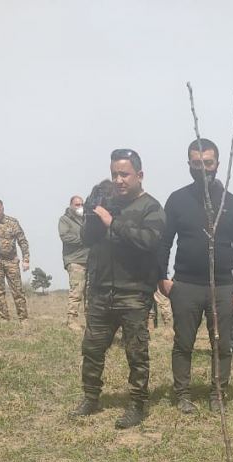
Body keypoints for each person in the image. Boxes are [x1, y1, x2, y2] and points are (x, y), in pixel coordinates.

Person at [73, 149, 165, 430]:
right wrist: (92, 215)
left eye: (124, 174)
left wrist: (113, 224)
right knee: (92, 348)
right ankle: (91, 397)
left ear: (139, 175)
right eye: (115, 174)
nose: (119, 180)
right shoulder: (106, 204)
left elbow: (149, 241)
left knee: (136, 351)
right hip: (101, 289)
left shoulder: (150, 207)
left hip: (134, 291)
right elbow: (86, 239)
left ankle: (137, 404)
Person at [159, 139, 233, 414]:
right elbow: (164, 242)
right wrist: (162, 279)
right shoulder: (177, 200)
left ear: (217, 165)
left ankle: (218, 393)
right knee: (183, 343)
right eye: (196, 163)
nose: (203, 169)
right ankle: (183, 393)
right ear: (189, 164)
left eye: (208, 163)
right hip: (185, 285)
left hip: (222, 286)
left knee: (222, 344)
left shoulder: (232, 204)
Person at [0, 199, 30, 322]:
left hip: (11, 261)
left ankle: (23, 318)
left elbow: (22, 241)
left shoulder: (12, 222)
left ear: (3, 208)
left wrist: (26, 259)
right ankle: (4, 318)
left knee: (17, 291)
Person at [58, 195, 88, 330]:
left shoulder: (87, 219)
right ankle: (72, 320)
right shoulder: (65, 220)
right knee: (77, 291)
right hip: (75, 260)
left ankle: (91, 321)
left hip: (89, 260)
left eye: (81, 204)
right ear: (71, 205)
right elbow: (65, 236)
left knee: (90, 293)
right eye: (77, 204)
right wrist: (84, 239)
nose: (80, 207)